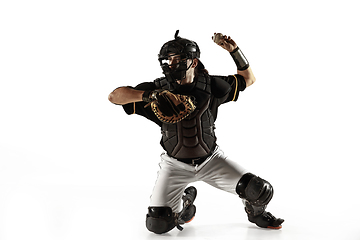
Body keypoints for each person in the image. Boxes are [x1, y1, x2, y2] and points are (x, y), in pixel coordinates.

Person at [108, 30, 284, 234]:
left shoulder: (212, 86)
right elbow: (114, 96)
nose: (172, 65)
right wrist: (149, 95)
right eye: (169, 60)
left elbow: (249, 79)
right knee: (158, 225)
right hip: (174, 166)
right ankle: (185, 207)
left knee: (260, 191)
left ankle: (255, 212)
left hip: (211, 160)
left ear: (193, 61)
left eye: (178, 59)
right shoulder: (157, 90)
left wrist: (234, 51)